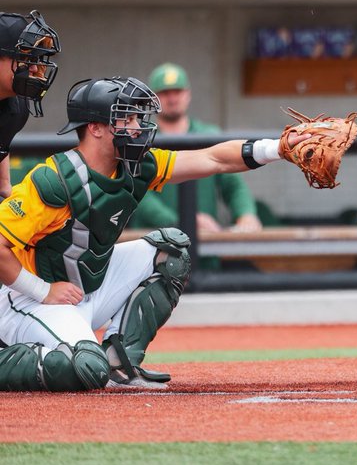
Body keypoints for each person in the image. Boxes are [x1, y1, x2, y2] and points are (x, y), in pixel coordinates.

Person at [0, 76, 315, 391]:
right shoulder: (52, 181)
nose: (137, 127)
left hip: (85, 289)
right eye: (126, 118)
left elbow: (212, 158)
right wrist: (42, 291)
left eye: (138, 117)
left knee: (171, 250)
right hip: (30, 301)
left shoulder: (135, 166)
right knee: (84, 369)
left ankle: (120, 365)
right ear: (95, 128)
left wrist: (278, 148)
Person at [130, 63, 263, 235]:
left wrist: (246, 214)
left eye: (177, 92)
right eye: (164, 93)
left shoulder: (209, 135)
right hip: (154, 243)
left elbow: (233, 185)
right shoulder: (137, 137)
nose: (172, 98)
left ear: (188, 95)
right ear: (152, 99)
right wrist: (182, 221)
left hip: (204, 245)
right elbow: (136, 193)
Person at [0, 10, 59, 198]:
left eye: (35, 59)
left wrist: (4, 186)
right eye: (24, 58)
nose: (34, 68)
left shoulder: (17, 108)